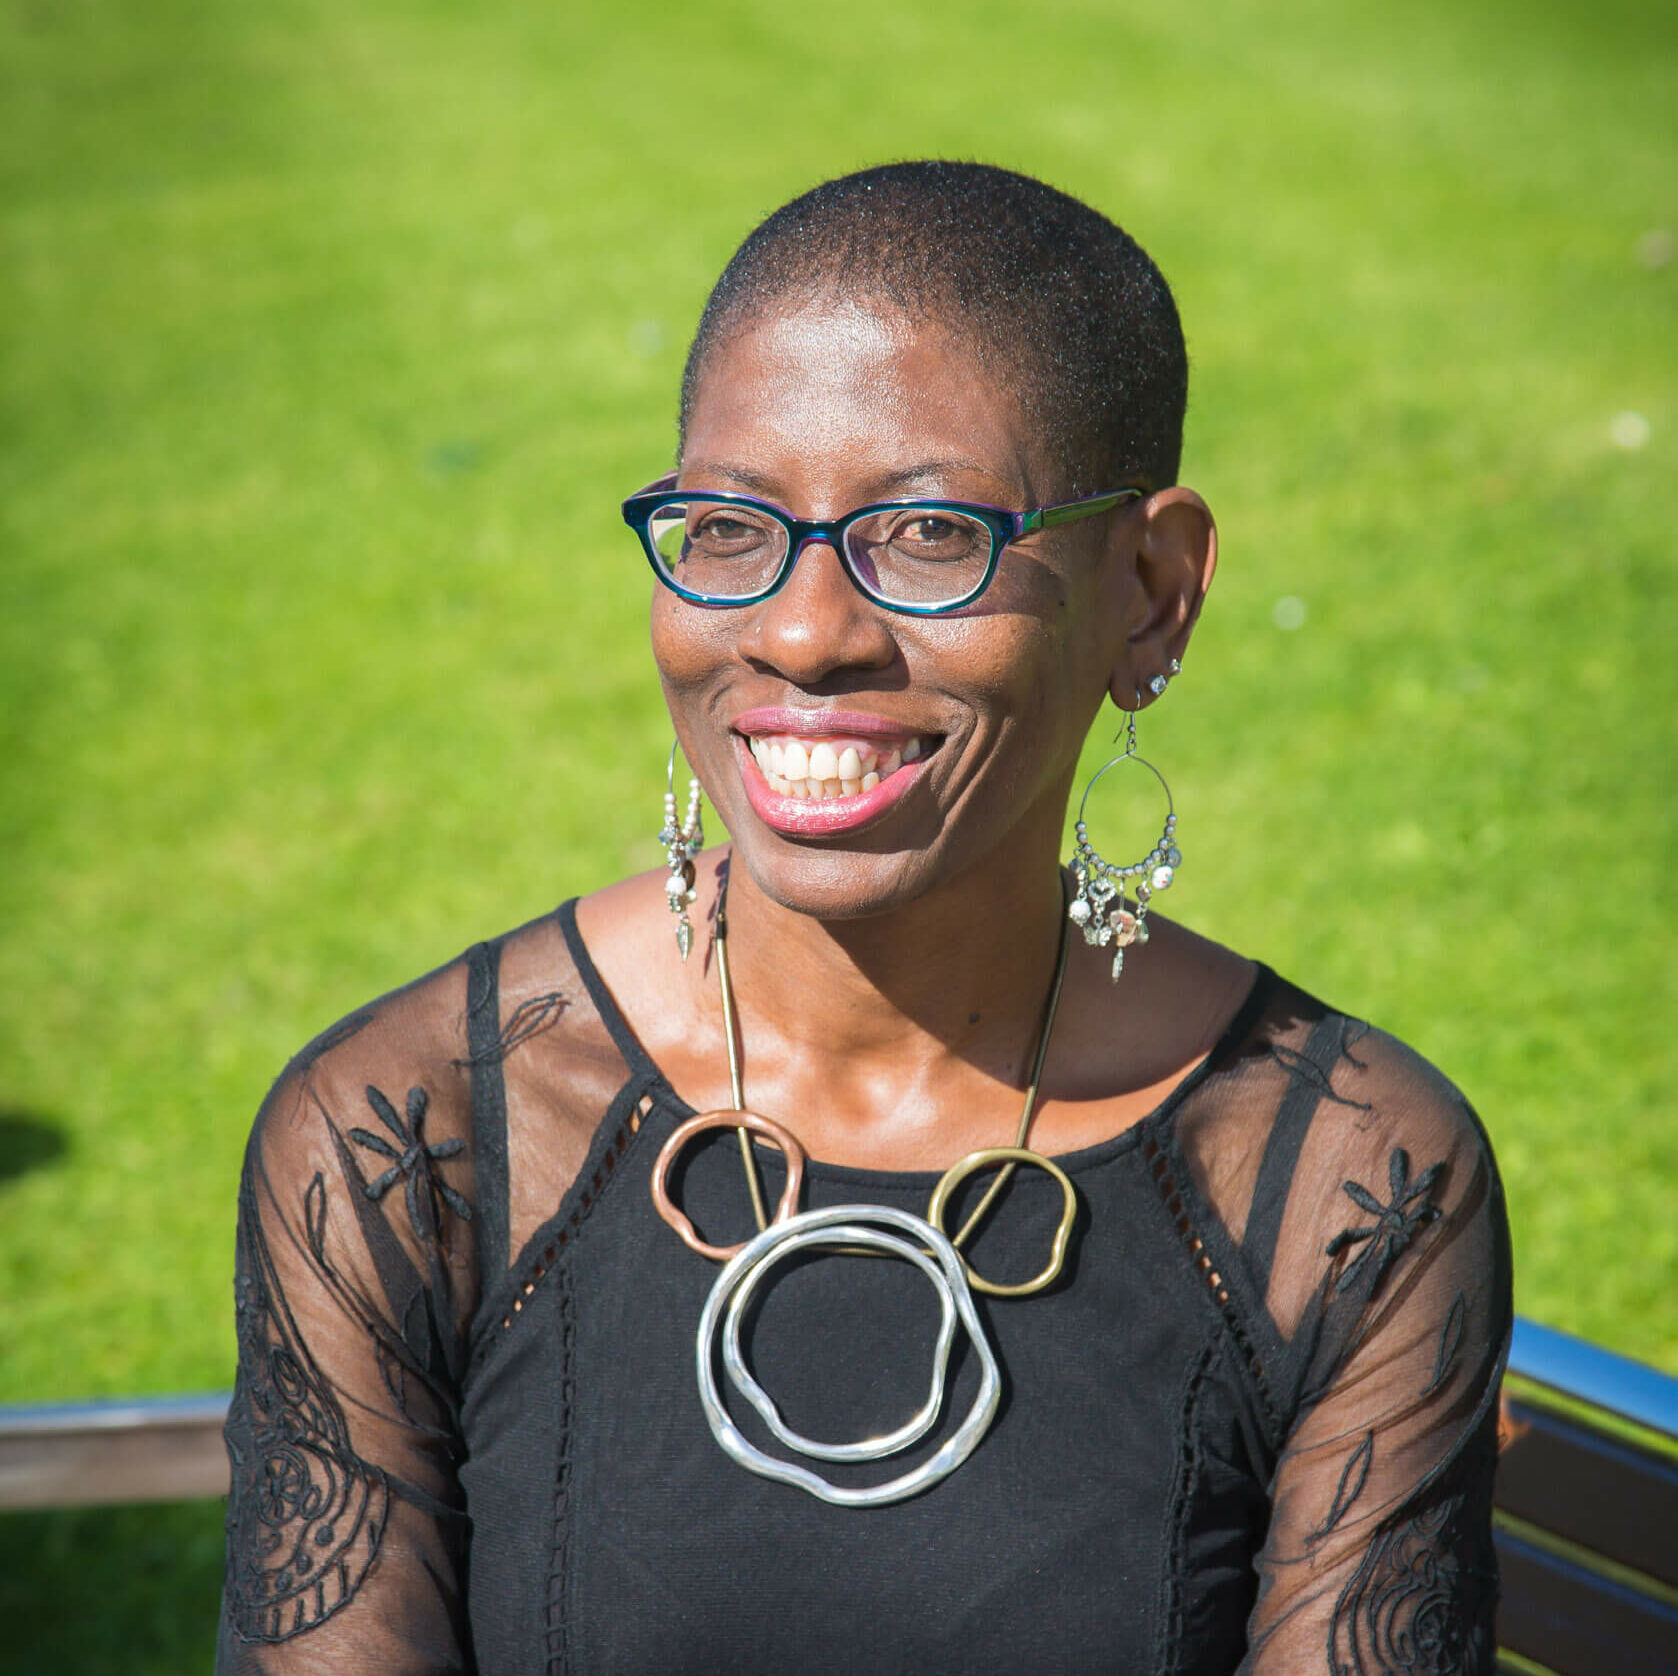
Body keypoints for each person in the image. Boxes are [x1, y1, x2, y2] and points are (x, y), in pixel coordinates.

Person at [217, 161, 1511, 1674]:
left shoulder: (1338, 1189)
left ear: (1150, 589)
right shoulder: (413, 1140)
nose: (799, 631)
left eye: (929, 535)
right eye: (724, 527)